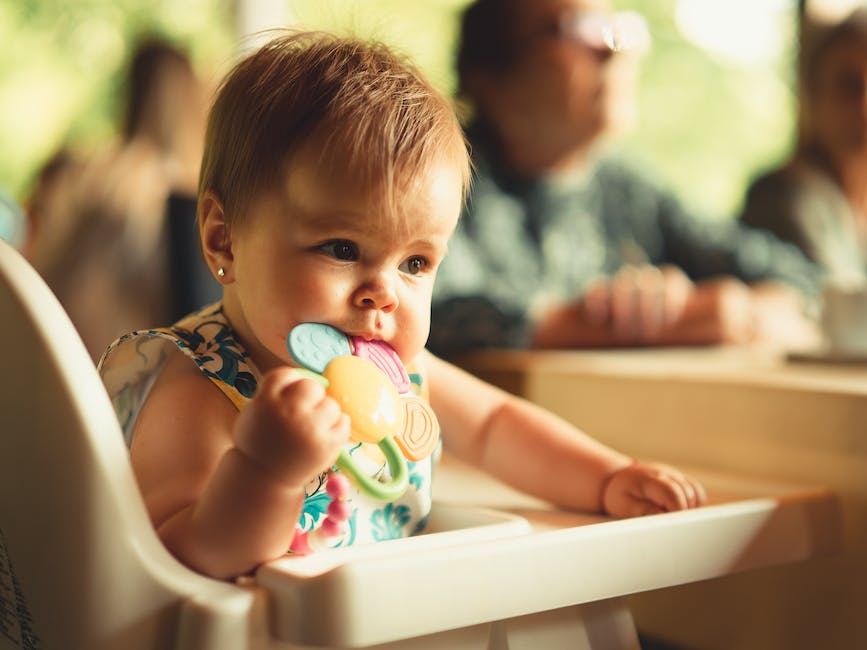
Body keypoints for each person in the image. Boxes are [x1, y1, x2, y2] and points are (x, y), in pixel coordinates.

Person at [96, 31, 705, 581]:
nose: (382, 292)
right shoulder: (195, 388)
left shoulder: (395, 378)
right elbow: (182, 562)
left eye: (415, 263)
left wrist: (607, 477)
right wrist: (266, 472)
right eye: (342, 248)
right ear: (223, 239)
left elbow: (498, 428)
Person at [429, 0, 823, 355]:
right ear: (491, 79)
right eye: (581, 29)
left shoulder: (627, 188)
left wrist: (737, 312)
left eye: (618, 28)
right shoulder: (436, 177)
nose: (613, 49)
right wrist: (637, 323)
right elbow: (419, 309)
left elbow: (799, 279)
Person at [24, 37, 215, 360]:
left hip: (59, 360)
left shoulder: (88, 173)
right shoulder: (197, 193)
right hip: (136, 370)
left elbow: (40, 272)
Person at [740, 7, 867, 287]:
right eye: (849, 86)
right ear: (813, 94)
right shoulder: (782, 197)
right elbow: (835, 305)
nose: (863, 107)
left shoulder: (856, 204)